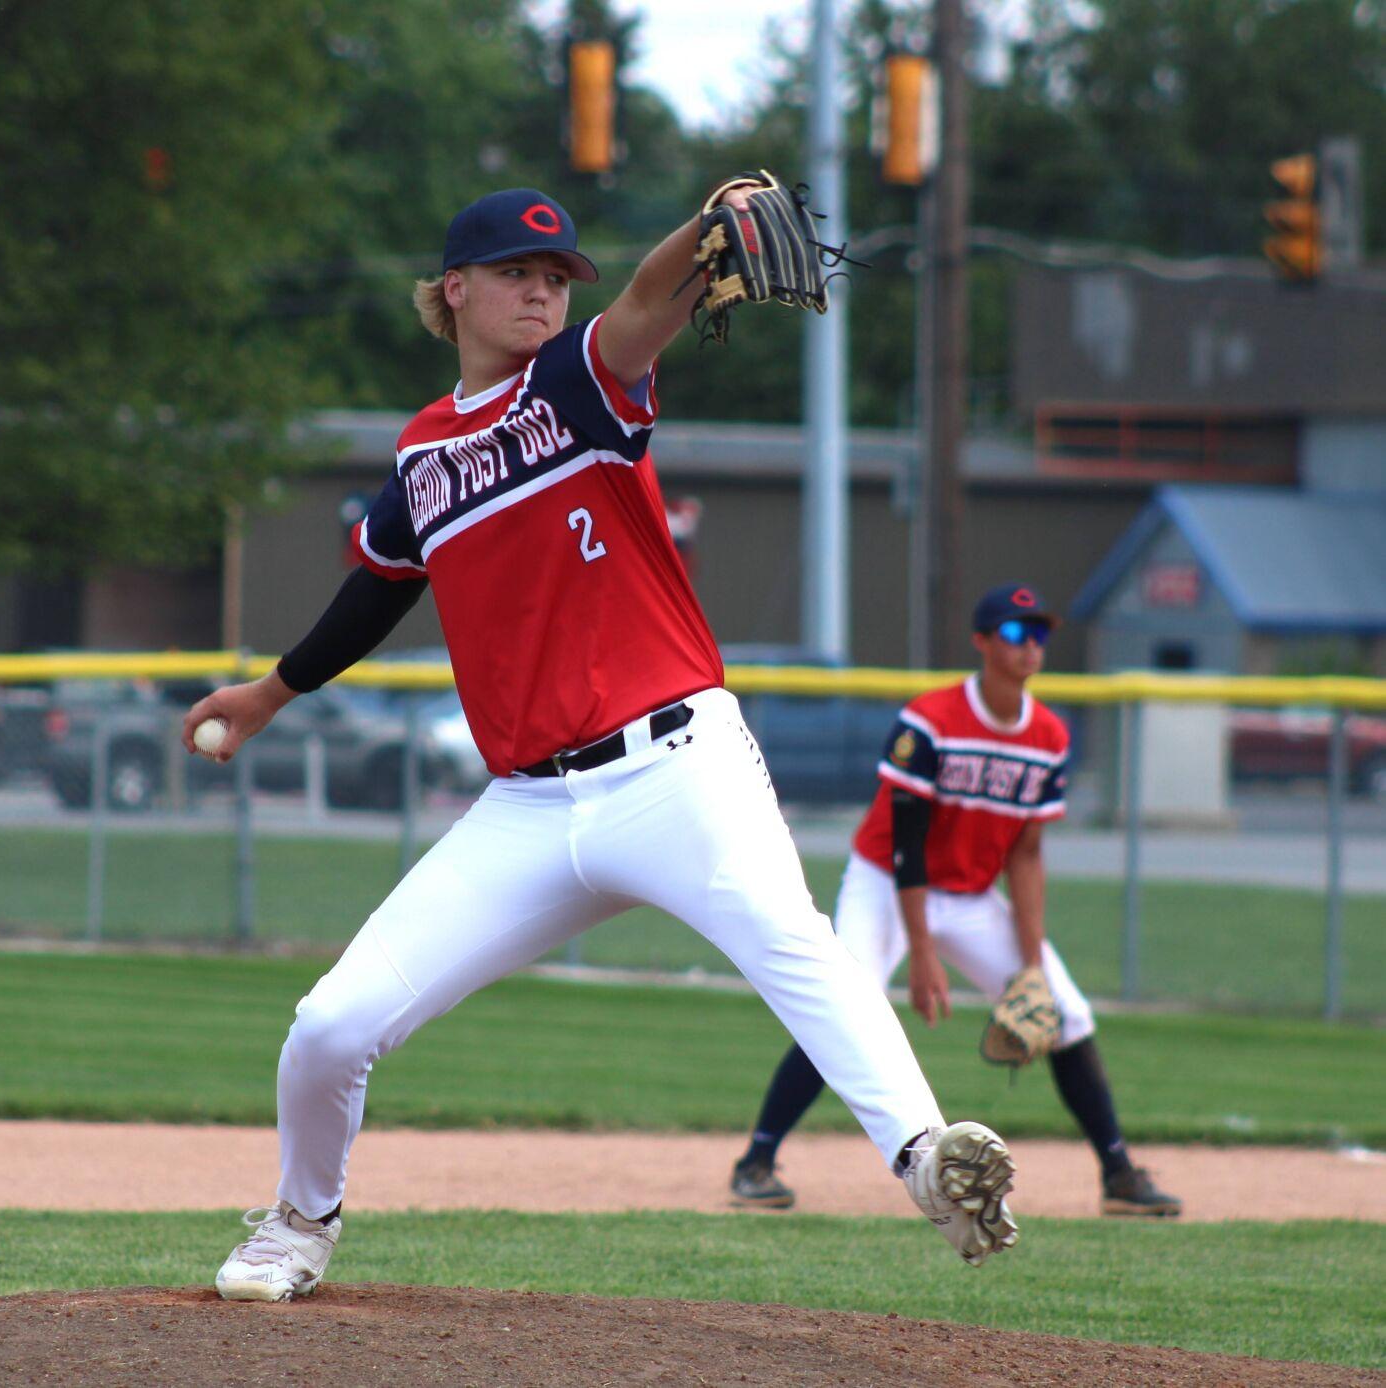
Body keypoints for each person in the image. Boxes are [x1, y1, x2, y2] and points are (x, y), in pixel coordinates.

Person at [188, 183, 1019, 1302]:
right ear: (452, 291)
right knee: (329, 1025)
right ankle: (299, 1221)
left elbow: (644, 302)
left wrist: (707, 218)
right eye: (518, 272)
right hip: (528, 807)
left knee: (792, 939)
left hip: (677, 764)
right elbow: (377, 589)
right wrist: (269, 694)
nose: (541, 289)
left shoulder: (575, 382)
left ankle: (926, 1159)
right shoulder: (424, 454)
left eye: (553, 276)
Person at [728, 583, 1183, 1219]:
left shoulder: (1049, 736)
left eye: (1040, 635)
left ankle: (1119, 1174)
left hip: (970, 897)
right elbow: (906, 844)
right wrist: (921, 954)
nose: (1032, 647)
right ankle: (756, 1163)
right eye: (1017, 633)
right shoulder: (931, 721)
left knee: (1067, 1013)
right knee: (843, 1003)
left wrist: (1029, 965)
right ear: (982, 641)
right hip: (887, 881)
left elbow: (1025, 856)